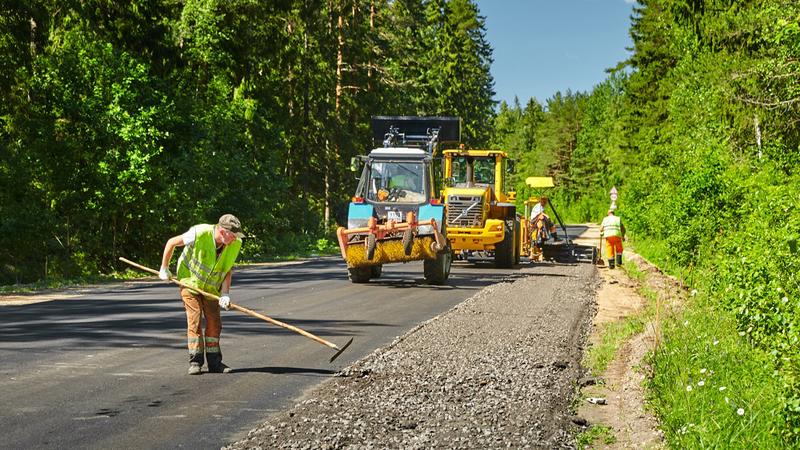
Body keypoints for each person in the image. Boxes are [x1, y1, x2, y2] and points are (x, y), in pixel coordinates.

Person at [159, 214, 244, 375]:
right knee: (195, 318)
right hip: (189, 282)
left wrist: (225, 294)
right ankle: (195, 361)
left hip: (211, 288)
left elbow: (227, 269)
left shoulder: (235, 243)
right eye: (232, 235)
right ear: (222, 231)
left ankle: (215, 363)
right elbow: (172, 242)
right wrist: (164, 267)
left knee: (214, 323)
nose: (234, 239)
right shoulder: (199, 233)